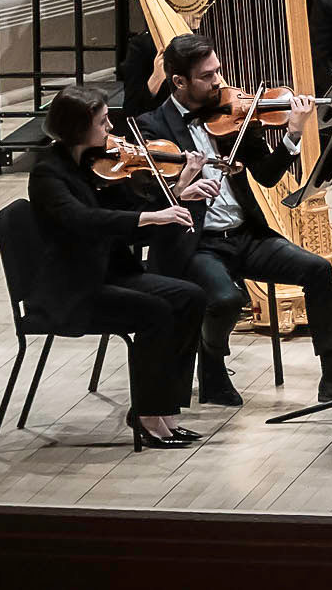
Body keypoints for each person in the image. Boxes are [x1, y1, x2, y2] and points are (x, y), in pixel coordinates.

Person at [131, 32, 332, 411]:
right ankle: (212, 367)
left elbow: (265, 174)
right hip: (197, 243)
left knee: (317, 270)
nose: (219, 82)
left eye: (218, 71)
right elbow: (148, 200)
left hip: (246, 234)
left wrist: (293, 133)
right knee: (225, 300)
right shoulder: (151, 127)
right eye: (207, 76)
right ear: (179, 82)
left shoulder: (234, 114)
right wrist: (185, 182)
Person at [26, 83, 219, 447]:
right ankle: (147, 415)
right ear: (78, 129)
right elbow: (86, 221)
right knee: (157, 312)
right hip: (74, 290)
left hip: (111, 274)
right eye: (102, 123)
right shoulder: (48, 176)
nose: (110, 130)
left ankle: (164, 409)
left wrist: (177, 195)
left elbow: (128, 213)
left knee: (191, 297)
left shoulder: (98, 165)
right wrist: (152, 217)